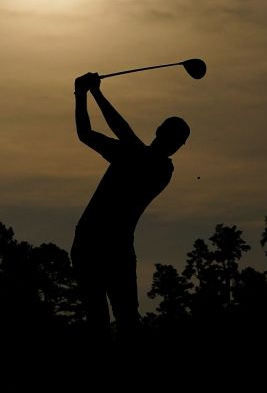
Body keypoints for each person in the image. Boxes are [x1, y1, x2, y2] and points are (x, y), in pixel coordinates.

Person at [70, 71, 190, 343]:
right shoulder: (132, 154)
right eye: (174, 140)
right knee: (102, 319)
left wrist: (92, 93)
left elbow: (123, 133)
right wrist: (82, 95)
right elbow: (85, 134)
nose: (173, 147)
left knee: (124, 320)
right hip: (95, 243)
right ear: (162, 134)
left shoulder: (161, 169)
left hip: (111, 246)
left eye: (176, 143)